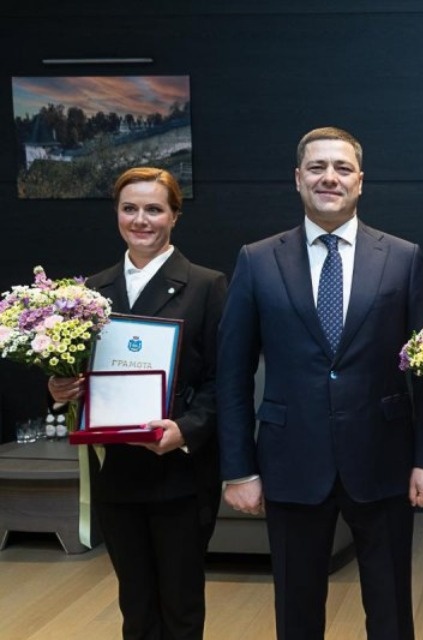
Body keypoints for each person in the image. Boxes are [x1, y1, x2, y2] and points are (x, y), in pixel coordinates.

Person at [217, 126, 423, 640]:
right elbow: (231, 373)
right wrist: (237, 468)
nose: (330, 177)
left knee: (390, 613)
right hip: (290, 461)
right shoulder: (257, 260)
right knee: (296, 615)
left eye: (342, 168)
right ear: (298, 178)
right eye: (317, 167)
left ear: (360, 181)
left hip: (383, 459)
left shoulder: (403, 258)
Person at [48, 167, 227, 639]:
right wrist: (60, 389)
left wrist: (187, 429)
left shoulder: (207, 286)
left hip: (180, 474)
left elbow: (223, 381)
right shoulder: (91, 293)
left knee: (181, 606)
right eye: (130, 208)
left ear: (174, 216)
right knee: (135, 604)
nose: (141, 219)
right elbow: (76, 374)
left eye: (154, 209)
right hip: (117, 475)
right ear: (117, 215)